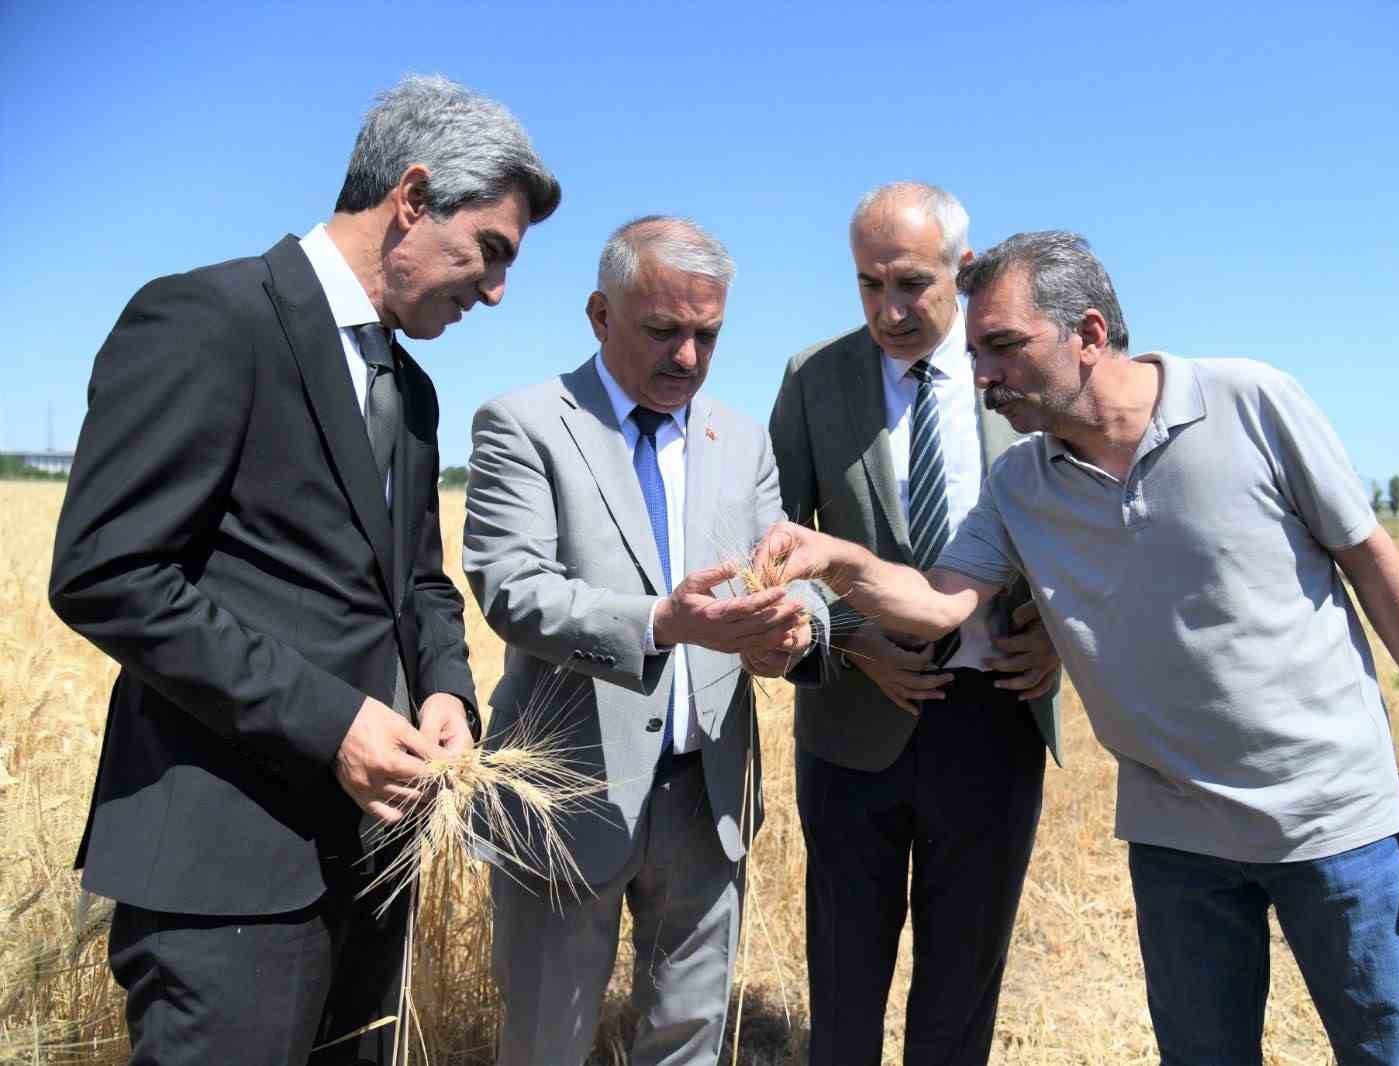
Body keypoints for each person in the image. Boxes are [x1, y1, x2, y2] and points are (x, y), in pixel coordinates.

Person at [755, 231, 1399, 1065]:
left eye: (1002, 348)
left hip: (1329, 819)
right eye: (976, 353)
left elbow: (1374, 565)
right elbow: (935, 604)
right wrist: (843, 564)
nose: (983, 376)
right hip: (1176, 839)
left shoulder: (1251, 401)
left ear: (1090, 335)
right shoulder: (1021, 482)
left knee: (1391, 1051)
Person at [47, 75, 560, 1066]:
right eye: (489, 252)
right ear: (411, 199)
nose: (495, 292)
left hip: (370, 868)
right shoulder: (208, 317)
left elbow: (416, 583)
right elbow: (108, 570)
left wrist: (448, 689)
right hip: (223, 885)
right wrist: (332, 721)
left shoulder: (410, 391)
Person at [462, 216, 821, 1066]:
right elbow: (513, 589)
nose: (688, 358)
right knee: (545, 1041)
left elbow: (787, 566)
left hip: (709, 798)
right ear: (598, 314)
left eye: (707, 335)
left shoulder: (741, 439)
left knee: (687, 1039)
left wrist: (802, 624)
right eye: (663, 331)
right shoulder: (524, 424)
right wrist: (661, 623)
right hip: (567, 797)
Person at [762, 182, 1061, 1066]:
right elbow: (773, 540)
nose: (889, 310)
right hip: (854, 728)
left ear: (962, 271)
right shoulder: (813, 381)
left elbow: (1090, 532)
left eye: (911, 285)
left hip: (996, 717)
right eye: (868, 285)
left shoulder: (1015, 373)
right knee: (845, 986)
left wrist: (1058, 636)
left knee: (962, 989)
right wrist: (851, 643)